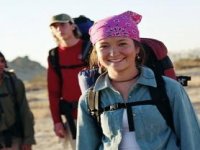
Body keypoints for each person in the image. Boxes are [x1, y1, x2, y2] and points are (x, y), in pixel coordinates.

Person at [76, 11, 200, 150]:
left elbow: (192, 139)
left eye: (122, 43)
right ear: (96, 54)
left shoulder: (169, 88)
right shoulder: (90, 99)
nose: (113, 52)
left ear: (137, 49)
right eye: (104, 46)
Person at [47, 13, 87, 149]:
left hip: (97, 114)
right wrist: (57, 121)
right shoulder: (54, 56)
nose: (59, 29)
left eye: (62, 24)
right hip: (73, 119)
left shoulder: (89, 49)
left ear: (73, 26)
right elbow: (53, 93)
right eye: (55, 26)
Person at [0, 52, 35, 150]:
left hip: (14, 138)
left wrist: (28, 140)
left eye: (2, 61)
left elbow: (25, 112)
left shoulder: (15, 84)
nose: (0, 64)